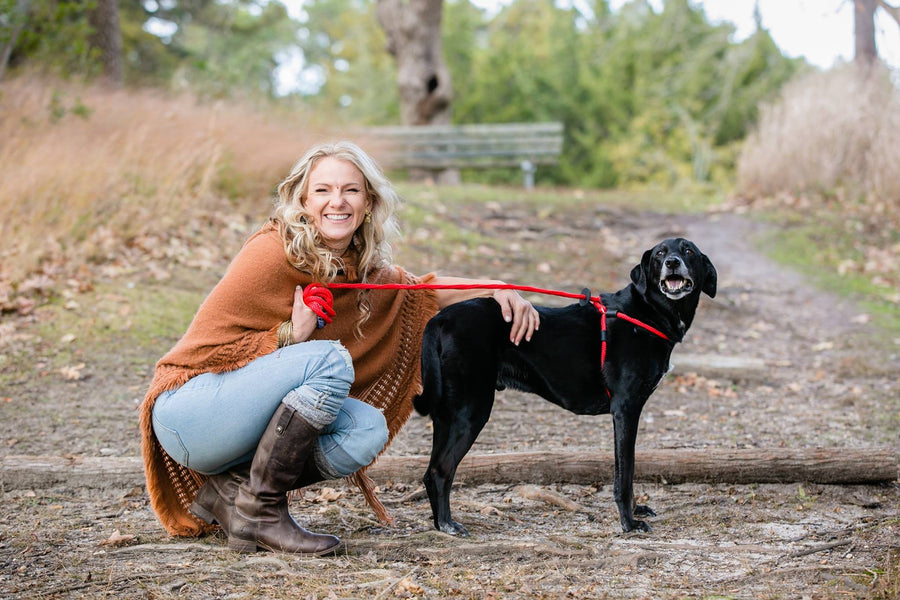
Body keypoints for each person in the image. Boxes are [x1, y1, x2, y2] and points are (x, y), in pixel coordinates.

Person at [139, 140, 540, 556]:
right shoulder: (272, 251)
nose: (338, 201)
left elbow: (425, 290)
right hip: (189, 410)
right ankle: (261, 511)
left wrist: (497, 287)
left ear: (368, 202)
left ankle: (234, 491)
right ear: (302, 200)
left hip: (234, 428)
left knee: (365, 430)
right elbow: (205, 353)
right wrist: (287, 337)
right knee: (329, 358)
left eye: (351, 190)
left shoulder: (361, 271)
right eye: (323, 190)